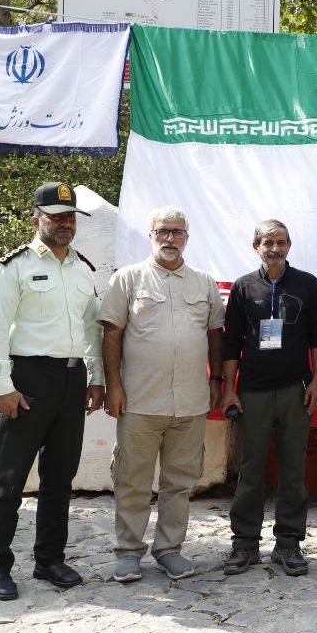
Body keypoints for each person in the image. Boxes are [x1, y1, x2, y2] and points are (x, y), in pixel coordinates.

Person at [0, 182, 104, 601]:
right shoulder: (12, 267)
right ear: (36, 219)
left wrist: (96, 378)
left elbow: (91, 330)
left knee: (60, 479)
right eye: (56, 216)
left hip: (71, 380)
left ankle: (49, 559)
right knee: (8, 479)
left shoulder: (83, 269)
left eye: (70, 217)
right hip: (28, 379)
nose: (65, 223)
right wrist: (1, 385)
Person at [99, 206, 225, 583]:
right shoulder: (128, 279)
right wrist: (113, 386)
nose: (170, 238)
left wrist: (216, 380)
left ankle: (170, 550)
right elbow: (111, 334)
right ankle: (128, 552)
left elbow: (215, 335)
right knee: (132, 481)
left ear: (187, 237)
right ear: (151, 235)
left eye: (177, 232)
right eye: (163, 231)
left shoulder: (203, 283)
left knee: (180, 483)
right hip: (139, 400)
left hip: (190, 401)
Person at [220, 219, 317, 577]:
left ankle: (288, 544)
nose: (274, 248)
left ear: (289, 245)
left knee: (293, 469)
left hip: (296, 389)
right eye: (268, 242)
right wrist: (230, 388)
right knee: (250, 469)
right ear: (256, 246)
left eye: (281, 242)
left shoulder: (307, 284)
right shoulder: (243, 286)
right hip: (252, 390)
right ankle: (244, 544)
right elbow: (231, 342)